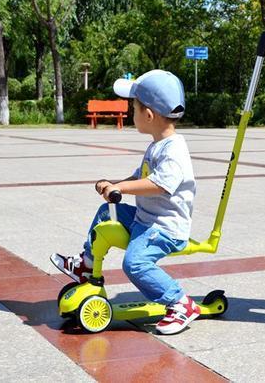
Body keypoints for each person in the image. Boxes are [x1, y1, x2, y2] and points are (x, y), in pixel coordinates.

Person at [51, 69, 199, 335]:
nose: (132, 114)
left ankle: (180, 302)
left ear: (149, 115)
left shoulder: (174, 149)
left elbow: (159, 185)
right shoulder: (158, 145)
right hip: (146, 220)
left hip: (165, 229)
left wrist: (120, 187)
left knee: (135, 264)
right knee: (106, 212)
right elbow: (139, 178)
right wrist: (114, 184)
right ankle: (86, 263)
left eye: (134, 108)